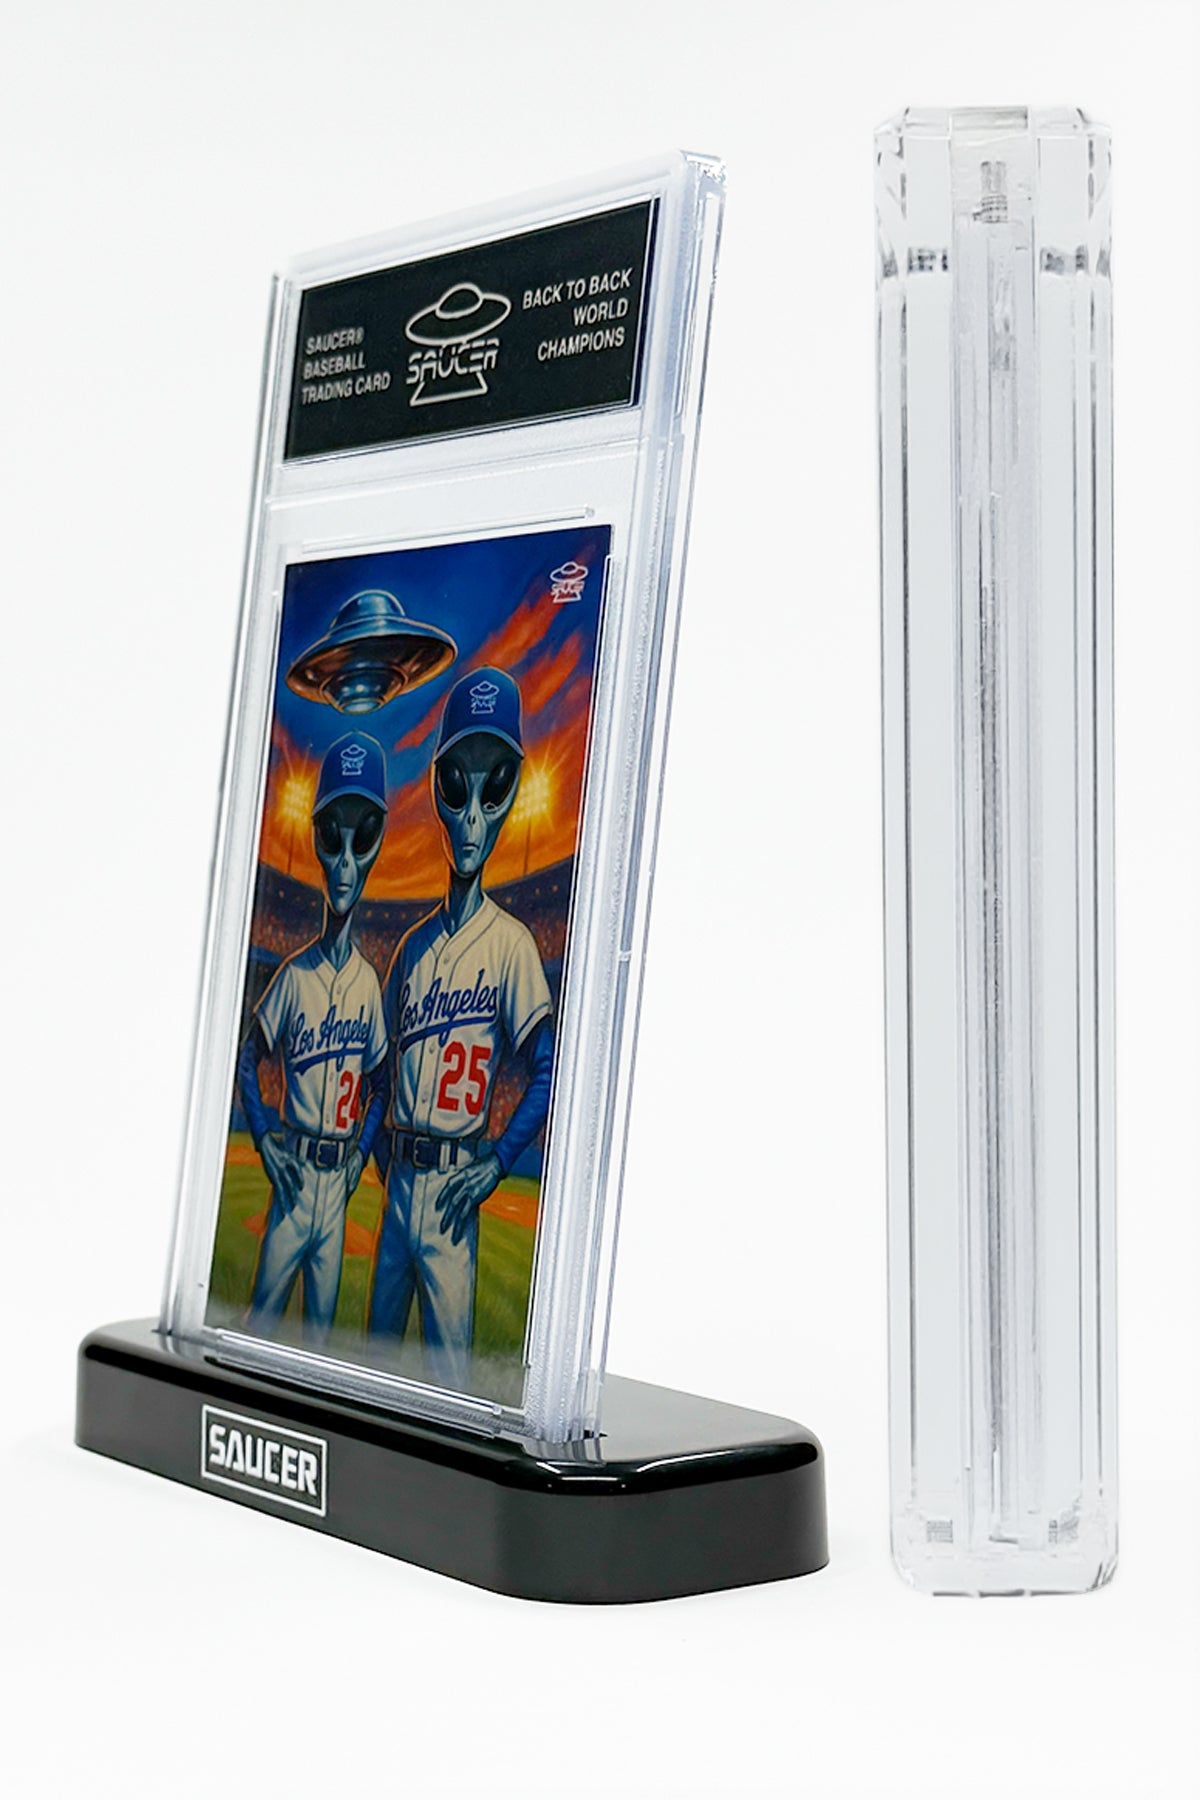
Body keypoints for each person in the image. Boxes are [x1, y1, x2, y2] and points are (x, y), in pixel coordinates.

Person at [368, 669, 553, 1390]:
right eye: (457, 787)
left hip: (453, 1194)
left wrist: (497, 1162)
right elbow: (378, 1073)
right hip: (399, 1189)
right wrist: (378, 1155)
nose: (473, 815)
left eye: (494, 788)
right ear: (438, 790)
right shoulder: (409, 950)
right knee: (369, 1370)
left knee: (451, 1385)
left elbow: (549, 1069)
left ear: (511, 794)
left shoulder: (512, 945)